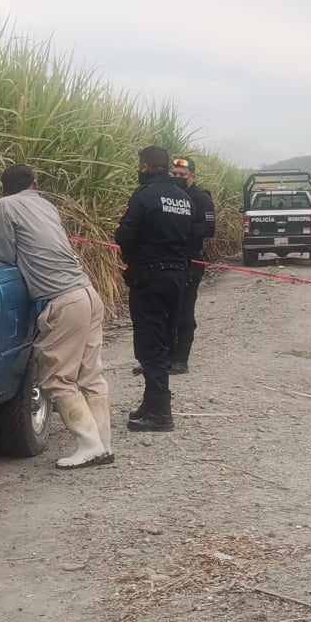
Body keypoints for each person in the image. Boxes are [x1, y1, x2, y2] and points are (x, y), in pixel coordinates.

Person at [0, 164, 113, 468]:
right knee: (90, 375)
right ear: (34, 183)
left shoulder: (5, 205)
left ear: (5, 187)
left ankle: (90, 445)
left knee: (57, 377)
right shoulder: (46, 205)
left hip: (64, 301)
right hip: (87, 293)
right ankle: (103, 445)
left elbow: (3, 255)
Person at [114, 145, 193, 432]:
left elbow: (125, 234)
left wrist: (133, 256)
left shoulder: (144, 196)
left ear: (146, 166)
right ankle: (152, 403)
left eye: (141, 166)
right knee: (164, 341)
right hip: (176, 277)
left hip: (150, 279)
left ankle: (160, 413)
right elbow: (193, 236)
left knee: (150, 344)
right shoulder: (183, 197)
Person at [169, 156, 214, 374]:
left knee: (184, 311)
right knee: (165, 311)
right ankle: (165, 357)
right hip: (168, 261)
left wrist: (180, 230)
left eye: (182, 175)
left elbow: (208, 229)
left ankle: (181, 359)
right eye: (174, 174)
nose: (177, 178)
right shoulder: (167, 196)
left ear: (192, 177)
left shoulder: (201, 198)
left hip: (191, 261)